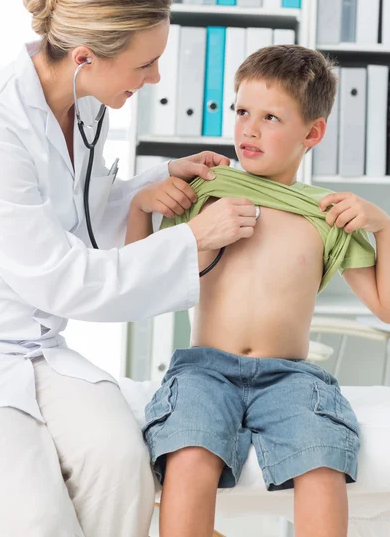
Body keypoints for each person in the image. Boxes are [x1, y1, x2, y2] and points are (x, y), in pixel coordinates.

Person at [0, 0, 258, 537]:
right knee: (34, 517)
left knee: (122, 466)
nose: (154, 78)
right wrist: (192, 241)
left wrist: (153, 182)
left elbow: (78, 212)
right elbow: (64, 278)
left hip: (35, 345)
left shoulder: (86, 104)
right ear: (85, 56)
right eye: (145, 63)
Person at [125, 45, 390, 537]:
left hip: (289, 377)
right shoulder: (206, 192)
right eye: (242, 111)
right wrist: (142, 207)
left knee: (321, 464)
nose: (248, 128)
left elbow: (386, 307)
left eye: (270, 117)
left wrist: (384, 229)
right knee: (187, 459)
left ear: (312, 132)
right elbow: (136, 282)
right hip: (206, 369)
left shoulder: (328, 213)